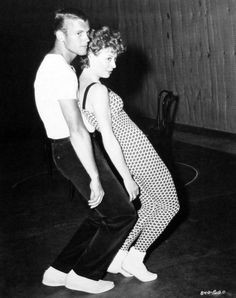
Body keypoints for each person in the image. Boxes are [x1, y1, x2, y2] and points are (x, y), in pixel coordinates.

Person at [34, 9, 137, 294]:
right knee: (122, 215)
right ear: (60, 35)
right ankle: (84, 274)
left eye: (87, 32)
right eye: (78, 33)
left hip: (65, 149)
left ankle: (58, 271)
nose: (85, 38)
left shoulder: (53, 66)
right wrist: (94, 174)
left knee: (101, 214)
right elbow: (77, 128)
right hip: (73, 149)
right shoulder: (59, 70)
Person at [78, 26, 180, 283]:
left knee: (149, 207)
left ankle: (119, 255)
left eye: (115, 59)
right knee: (170, 205)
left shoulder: (82, 85)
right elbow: (108, 137)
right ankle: (136, 257)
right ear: (91, 53)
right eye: (108, 58)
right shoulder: (98, 90)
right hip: (138, 154)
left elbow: (90, 128)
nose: (113, 65)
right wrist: (126, 177)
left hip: (133, 154)